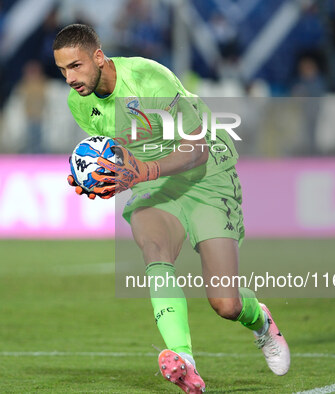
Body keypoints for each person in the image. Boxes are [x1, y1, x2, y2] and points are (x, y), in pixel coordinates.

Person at [52, 24, 290, 393]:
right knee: (154, 250)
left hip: (207, 174)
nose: (70, 78)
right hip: (156, 183)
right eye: (63, 70)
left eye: (76, 66)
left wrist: (145, 170)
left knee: (225, 303)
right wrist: (98, 177)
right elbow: (120, 150)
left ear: (99, 57)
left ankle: (261, 322)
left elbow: (196, 149)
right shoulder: (79, 103)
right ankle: (184, 360)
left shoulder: (149, 78)